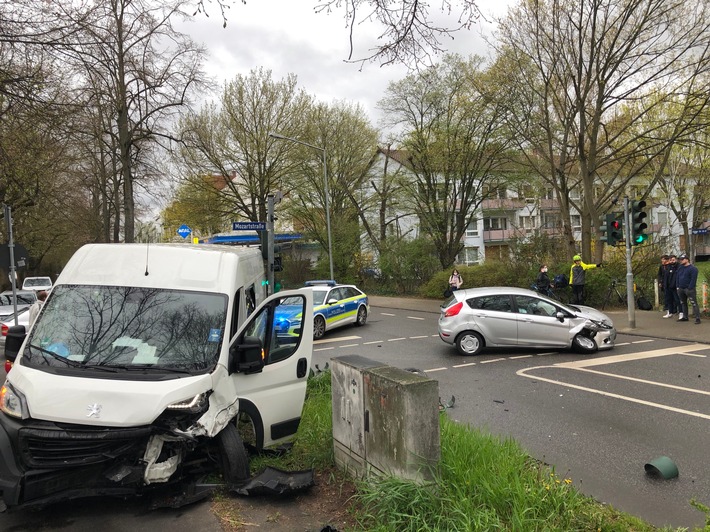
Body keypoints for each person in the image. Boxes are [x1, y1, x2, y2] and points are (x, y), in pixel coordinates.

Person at [676, 253, 701, 324]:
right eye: (680, 260)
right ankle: (685, 316)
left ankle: (697, 318)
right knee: (683, 303)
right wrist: (677, 286)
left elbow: (693, 279)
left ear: (687, 260)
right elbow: (677, 277)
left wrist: (690, 287)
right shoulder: (680, 268)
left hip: (689, 289)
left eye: (682, 259)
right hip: (681, 288)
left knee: (694, 303)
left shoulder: (693, 269)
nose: (681, 261)